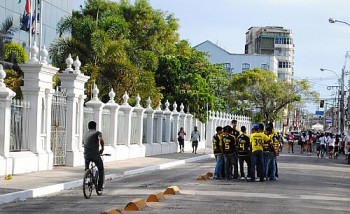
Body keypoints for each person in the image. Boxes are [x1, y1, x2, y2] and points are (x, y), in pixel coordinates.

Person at [83, 121, 105, 191]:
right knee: (101, 169)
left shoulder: (85, 134)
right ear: (95, 127)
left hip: (86, 155)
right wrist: (102, 148)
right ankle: (99, 186)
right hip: (95, 155)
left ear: (88, 127)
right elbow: (101, 139)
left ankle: (87, 175)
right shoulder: (97, 133)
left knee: (87, 168)